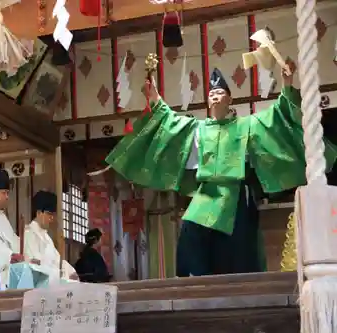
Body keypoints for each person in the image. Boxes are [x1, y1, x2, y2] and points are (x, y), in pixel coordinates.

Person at [105, 67, 337, 277]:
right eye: (211, 94)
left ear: (230, 99)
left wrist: (287, 82)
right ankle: (195, 282)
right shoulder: (197, 129)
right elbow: (168, 121)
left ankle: (241, 286)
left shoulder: (247, 125)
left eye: (220, 93)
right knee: (190, 230)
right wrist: (154, 96)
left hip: (236, 193)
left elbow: (278, 115)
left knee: (238, 249)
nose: (215, 96)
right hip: (206, 194)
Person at [24, 190, 78, 284]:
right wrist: (60, 273)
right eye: (49, 214)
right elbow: (36, 264)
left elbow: (58, 260)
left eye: (53, 215)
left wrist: (70, 271)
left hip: (53, 279)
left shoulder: (47, 238)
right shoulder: (28, 234)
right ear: (39, 213)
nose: (52, 218)